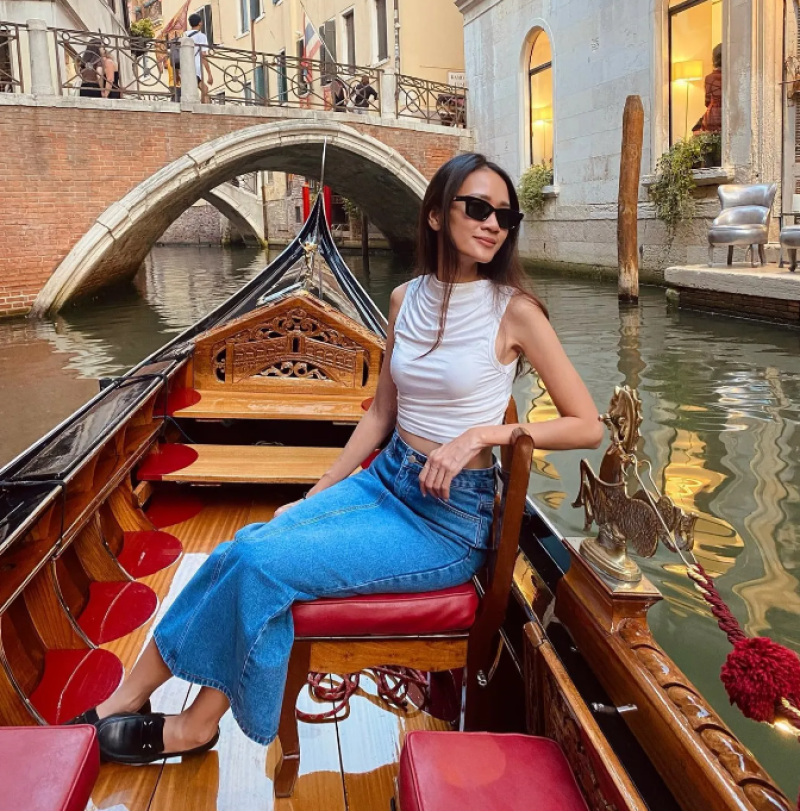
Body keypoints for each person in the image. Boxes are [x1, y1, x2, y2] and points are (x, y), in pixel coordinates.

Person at [75, 152, 604, 763]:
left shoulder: (515, 311)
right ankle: (128, 698)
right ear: (436, 215)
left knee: (262, 563)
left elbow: (587, 425)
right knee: (239, 548)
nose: (493, 224)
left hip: (449, 520)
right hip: (386, 482)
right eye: (478, 208)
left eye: (505, 216)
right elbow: (381, 415)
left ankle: (193, 727)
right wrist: (317, 492)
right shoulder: (405, 299)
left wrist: (482, 435)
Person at [185, 12, 213, 103]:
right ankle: (204, 108)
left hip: (185, 67)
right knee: (204, 89)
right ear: (200, 23)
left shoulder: (184, 35)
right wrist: (209, 74)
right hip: (195, 68)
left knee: (202, 89)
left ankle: (202, 107)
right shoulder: (201, 36)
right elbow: (203, 55)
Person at [701, 43, 722, 133]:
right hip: (729, 113)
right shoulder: (733, 76)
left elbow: (707, 102)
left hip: (712, 116)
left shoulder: (709, 78)